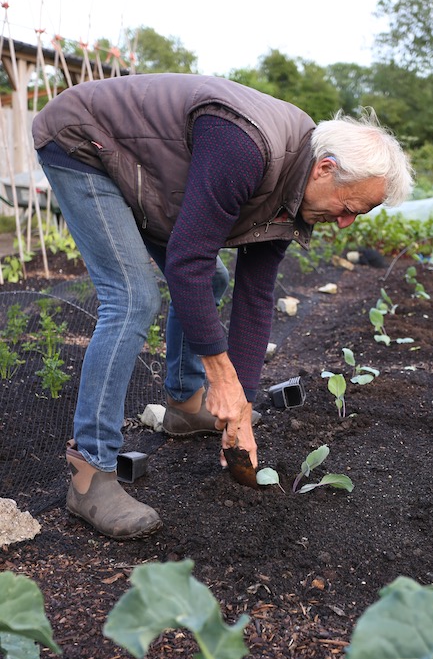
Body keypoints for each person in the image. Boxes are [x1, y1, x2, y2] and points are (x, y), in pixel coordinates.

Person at [32, 74, 413, 540]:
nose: (348, 221)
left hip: (144, 168)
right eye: (350, 206)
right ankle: (89, 473)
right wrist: (224, 379)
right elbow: (186, 263)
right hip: (85, 141)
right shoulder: (247, 148)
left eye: (361, 214)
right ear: (325, 169)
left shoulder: (294, 191)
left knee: (214, 279)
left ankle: (185, 404)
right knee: (133, 298)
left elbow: (255, 298)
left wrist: (242, 409)